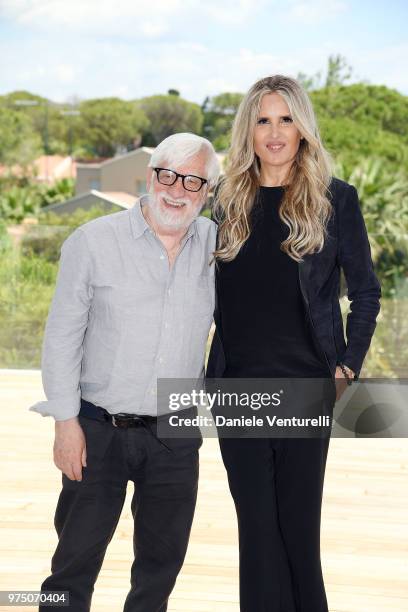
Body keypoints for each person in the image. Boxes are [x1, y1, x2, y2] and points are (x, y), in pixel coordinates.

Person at [206, 75, 381, 612]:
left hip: (307, 387)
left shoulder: (335, 199)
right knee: (256, 533)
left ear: (302, 128)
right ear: (248, 130)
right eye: (263, 120)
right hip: (237, 390)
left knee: (298, 533)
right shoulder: (225, 199)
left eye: (286, 119)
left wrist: (347, 367)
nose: (275, 132)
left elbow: (367, 293)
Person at [29, 132, 220, 612]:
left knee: (161, 566)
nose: (177, 190)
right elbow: (62, 339)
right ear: (150, 176)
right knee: (74, 562)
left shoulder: (220, 250)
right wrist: (65, 424)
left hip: (176, 429)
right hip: (97, 426)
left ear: (208, 191)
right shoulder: (93, 242)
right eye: (168, 175)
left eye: (193, 181)